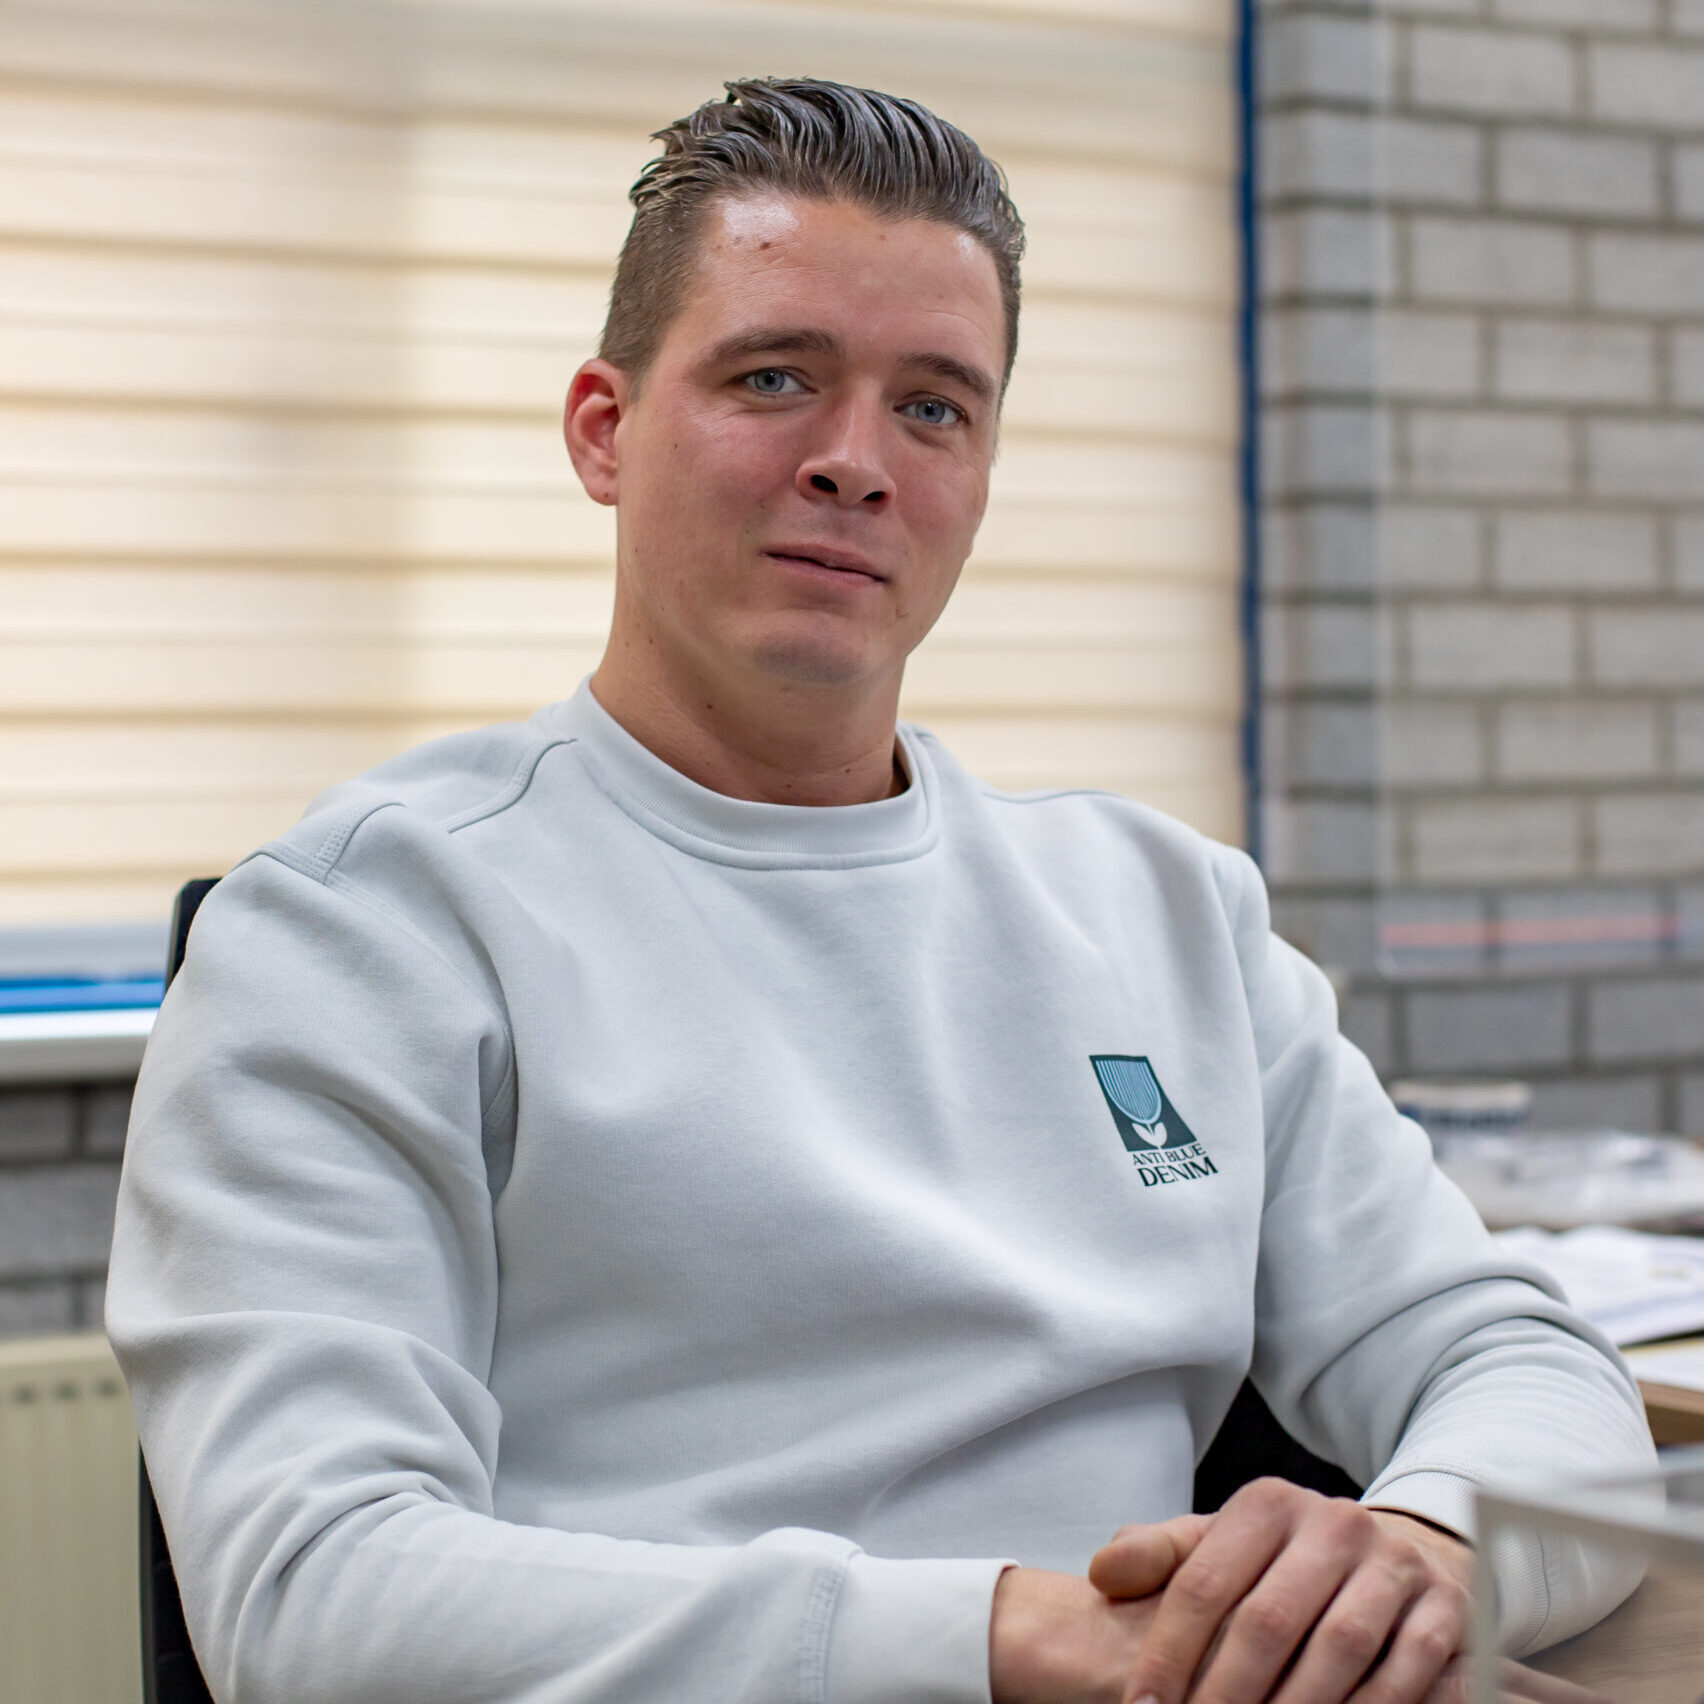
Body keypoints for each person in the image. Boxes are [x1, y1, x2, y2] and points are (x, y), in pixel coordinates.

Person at [107, 78, 1652, 1704]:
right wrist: (1018, 1638)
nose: (855, 463)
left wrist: (1426, 1552)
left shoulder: (1168, 915)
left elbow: (1525, 1366)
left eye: (934, 407)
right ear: (603, 431)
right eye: (774, 378)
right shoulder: (361, 931)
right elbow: (313, 1594)